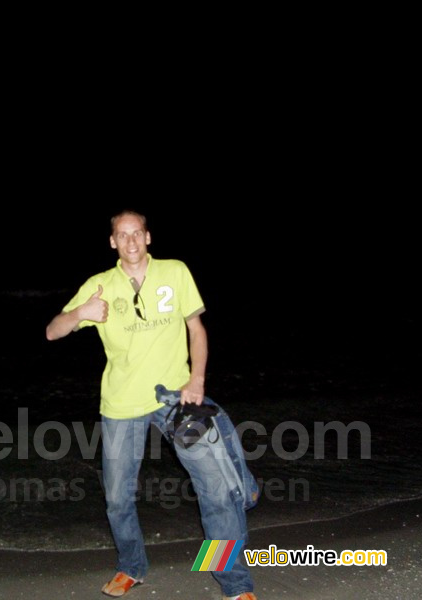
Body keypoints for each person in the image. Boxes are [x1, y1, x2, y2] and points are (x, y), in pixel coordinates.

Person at [45, 211, 256, 600]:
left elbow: (196, 329)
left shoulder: (175, 272)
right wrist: (81, 313)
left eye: (136, 233)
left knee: (216, 489)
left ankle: (233, 581)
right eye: (122, 235)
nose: (130, 241)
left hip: (177, 399)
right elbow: (52, 331)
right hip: (122, 404)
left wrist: (197, 379)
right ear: (112, 242)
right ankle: (132, 566)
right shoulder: (99, 285)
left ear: (148, 237)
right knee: (117, 496)